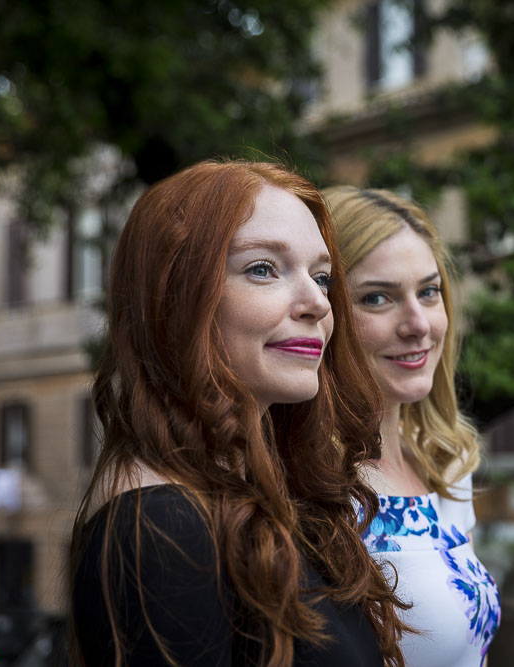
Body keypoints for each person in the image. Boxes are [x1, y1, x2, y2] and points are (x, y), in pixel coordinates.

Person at [69, 161, 408, 666]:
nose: (316, 301)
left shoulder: (254, 494)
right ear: (174, 298)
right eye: (263, 268)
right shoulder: (162, 527)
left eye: (322, 277)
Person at [324, 186, 501, 667]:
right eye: (377, 298)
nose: (418, 324)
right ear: (322, 312)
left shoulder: (445, 463)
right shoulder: (303, 483)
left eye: (428, 291)